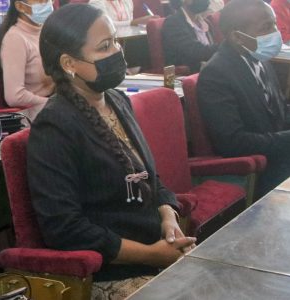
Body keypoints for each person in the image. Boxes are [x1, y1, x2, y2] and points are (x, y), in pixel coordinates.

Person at [30, 4, 196, 298]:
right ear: (69, 62)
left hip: (156, 252)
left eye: (116, 41)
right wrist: (149, 255)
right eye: (105, 47)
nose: (118, 52)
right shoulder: (54, 127)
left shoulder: (118, 101)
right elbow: (64, 227)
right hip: (109, 272)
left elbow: (150, 178)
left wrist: (168, 219)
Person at [198, 0, 290, 196]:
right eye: (266, 27)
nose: (276, 32)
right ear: (238, 37)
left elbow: (280, 111)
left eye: (274, 24)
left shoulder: (259, 59)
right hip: (258, 170)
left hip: (278, 154)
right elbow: (233, 142)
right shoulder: (217, 74)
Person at [0, 0, 55, 120]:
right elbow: (14, 96)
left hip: (54, 104)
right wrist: (52, 104)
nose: (46, 4)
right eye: (40, 1)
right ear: (20, 6)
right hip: (36, 113)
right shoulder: (15, 38)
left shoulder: (47, 31)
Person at [163, 0, 218, 73]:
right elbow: (195, 51)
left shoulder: (206, 23)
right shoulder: (173, 23)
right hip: (189, 75)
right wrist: (224, 47)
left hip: (210, 70)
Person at [88, 0, 154, 27]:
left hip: (127, 40)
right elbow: (105, 25)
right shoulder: (96, 2)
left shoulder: (127, 1)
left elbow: (129, 27)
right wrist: (133, 22)